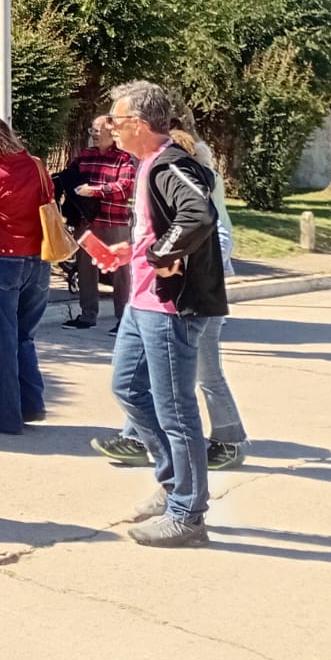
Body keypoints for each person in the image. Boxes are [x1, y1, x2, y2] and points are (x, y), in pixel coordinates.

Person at [101, 80, 228, 548]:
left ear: (138, 123)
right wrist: (131, 252)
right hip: (142, 304)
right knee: (128, 389)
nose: (110, 127)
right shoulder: (150, 165)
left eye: (116, 120)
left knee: (175, 409)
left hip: (170, 306)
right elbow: (164, 225)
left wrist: (158, 255)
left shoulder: (171, 163)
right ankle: (174, 483)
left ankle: (188, 514)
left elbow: (198, 215)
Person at [93, 122, 247, 472]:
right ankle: (138, 440)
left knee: (204, 374)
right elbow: (156, 234)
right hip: (153, 300)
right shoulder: (152, 173)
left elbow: (215, 232)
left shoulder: (187, 178)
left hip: (194, 299)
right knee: (144, 376)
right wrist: (135, 251)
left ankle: (229, 442)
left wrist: (176, 258)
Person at [0, 112, 50, 435]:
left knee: (0, 340)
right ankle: (32, 403)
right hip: (38, 258)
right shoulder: (37, 165)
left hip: (3, 258)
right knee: (24, 335)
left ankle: (6, 416)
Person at [53, 115, 137, 330]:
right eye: (92, 130)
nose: (94, 134)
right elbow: (68, 176)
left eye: (98, 130)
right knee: (85, 269)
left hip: (114, 222)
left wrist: (95, 191)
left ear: (111, 131)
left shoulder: (124, 158)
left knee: (120, 273)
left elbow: (126, 187)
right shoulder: (85, 155)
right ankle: (87, 315)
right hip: (86, 222)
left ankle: (124, 320)